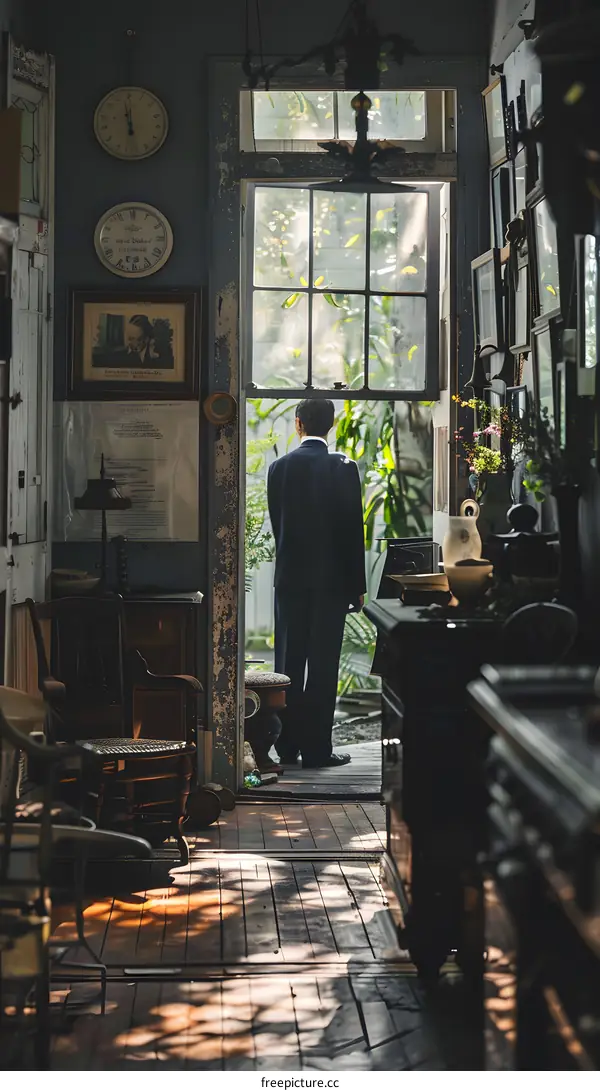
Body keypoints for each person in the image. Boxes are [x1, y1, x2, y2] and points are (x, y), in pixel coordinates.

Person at [267, 399, 366, 769]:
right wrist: (356, 585)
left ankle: (286, 746)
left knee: (288, 664)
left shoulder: (279, 468)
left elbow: (280, 528)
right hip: (332, 584)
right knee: (323, 666)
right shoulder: (343, 467)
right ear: (331, 425)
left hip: (291, 580)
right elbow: (352, 533)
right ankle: (317, 750)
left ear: (298, 424)